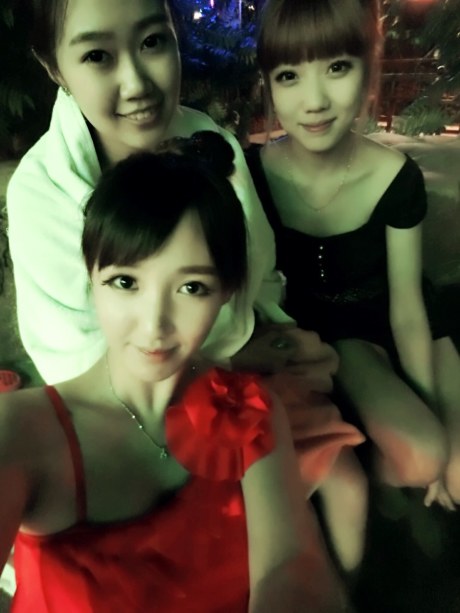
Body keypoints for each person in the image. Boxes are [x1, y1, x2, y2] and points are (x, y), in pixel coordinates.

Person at [0, 133, 346, 612]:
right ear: (90, 276)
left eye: (191, 287)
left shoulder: (247, 409)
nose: (154, 324)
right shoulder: (20, 429)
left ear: (227, 290)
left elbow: (287, 567)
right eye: (126, 282)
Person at [246, 0, 460, 509]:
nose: (314, 101)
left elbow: (407, 309)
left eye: (337, 67)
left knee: (453, 474)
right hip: (325, 339)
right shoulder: (249, 173)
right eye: (290, 75)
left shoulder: (396, 176)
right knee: (422, 457)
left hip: (399, 324)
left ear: (367, 67)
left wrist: (427, 405)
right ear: (269, 84)